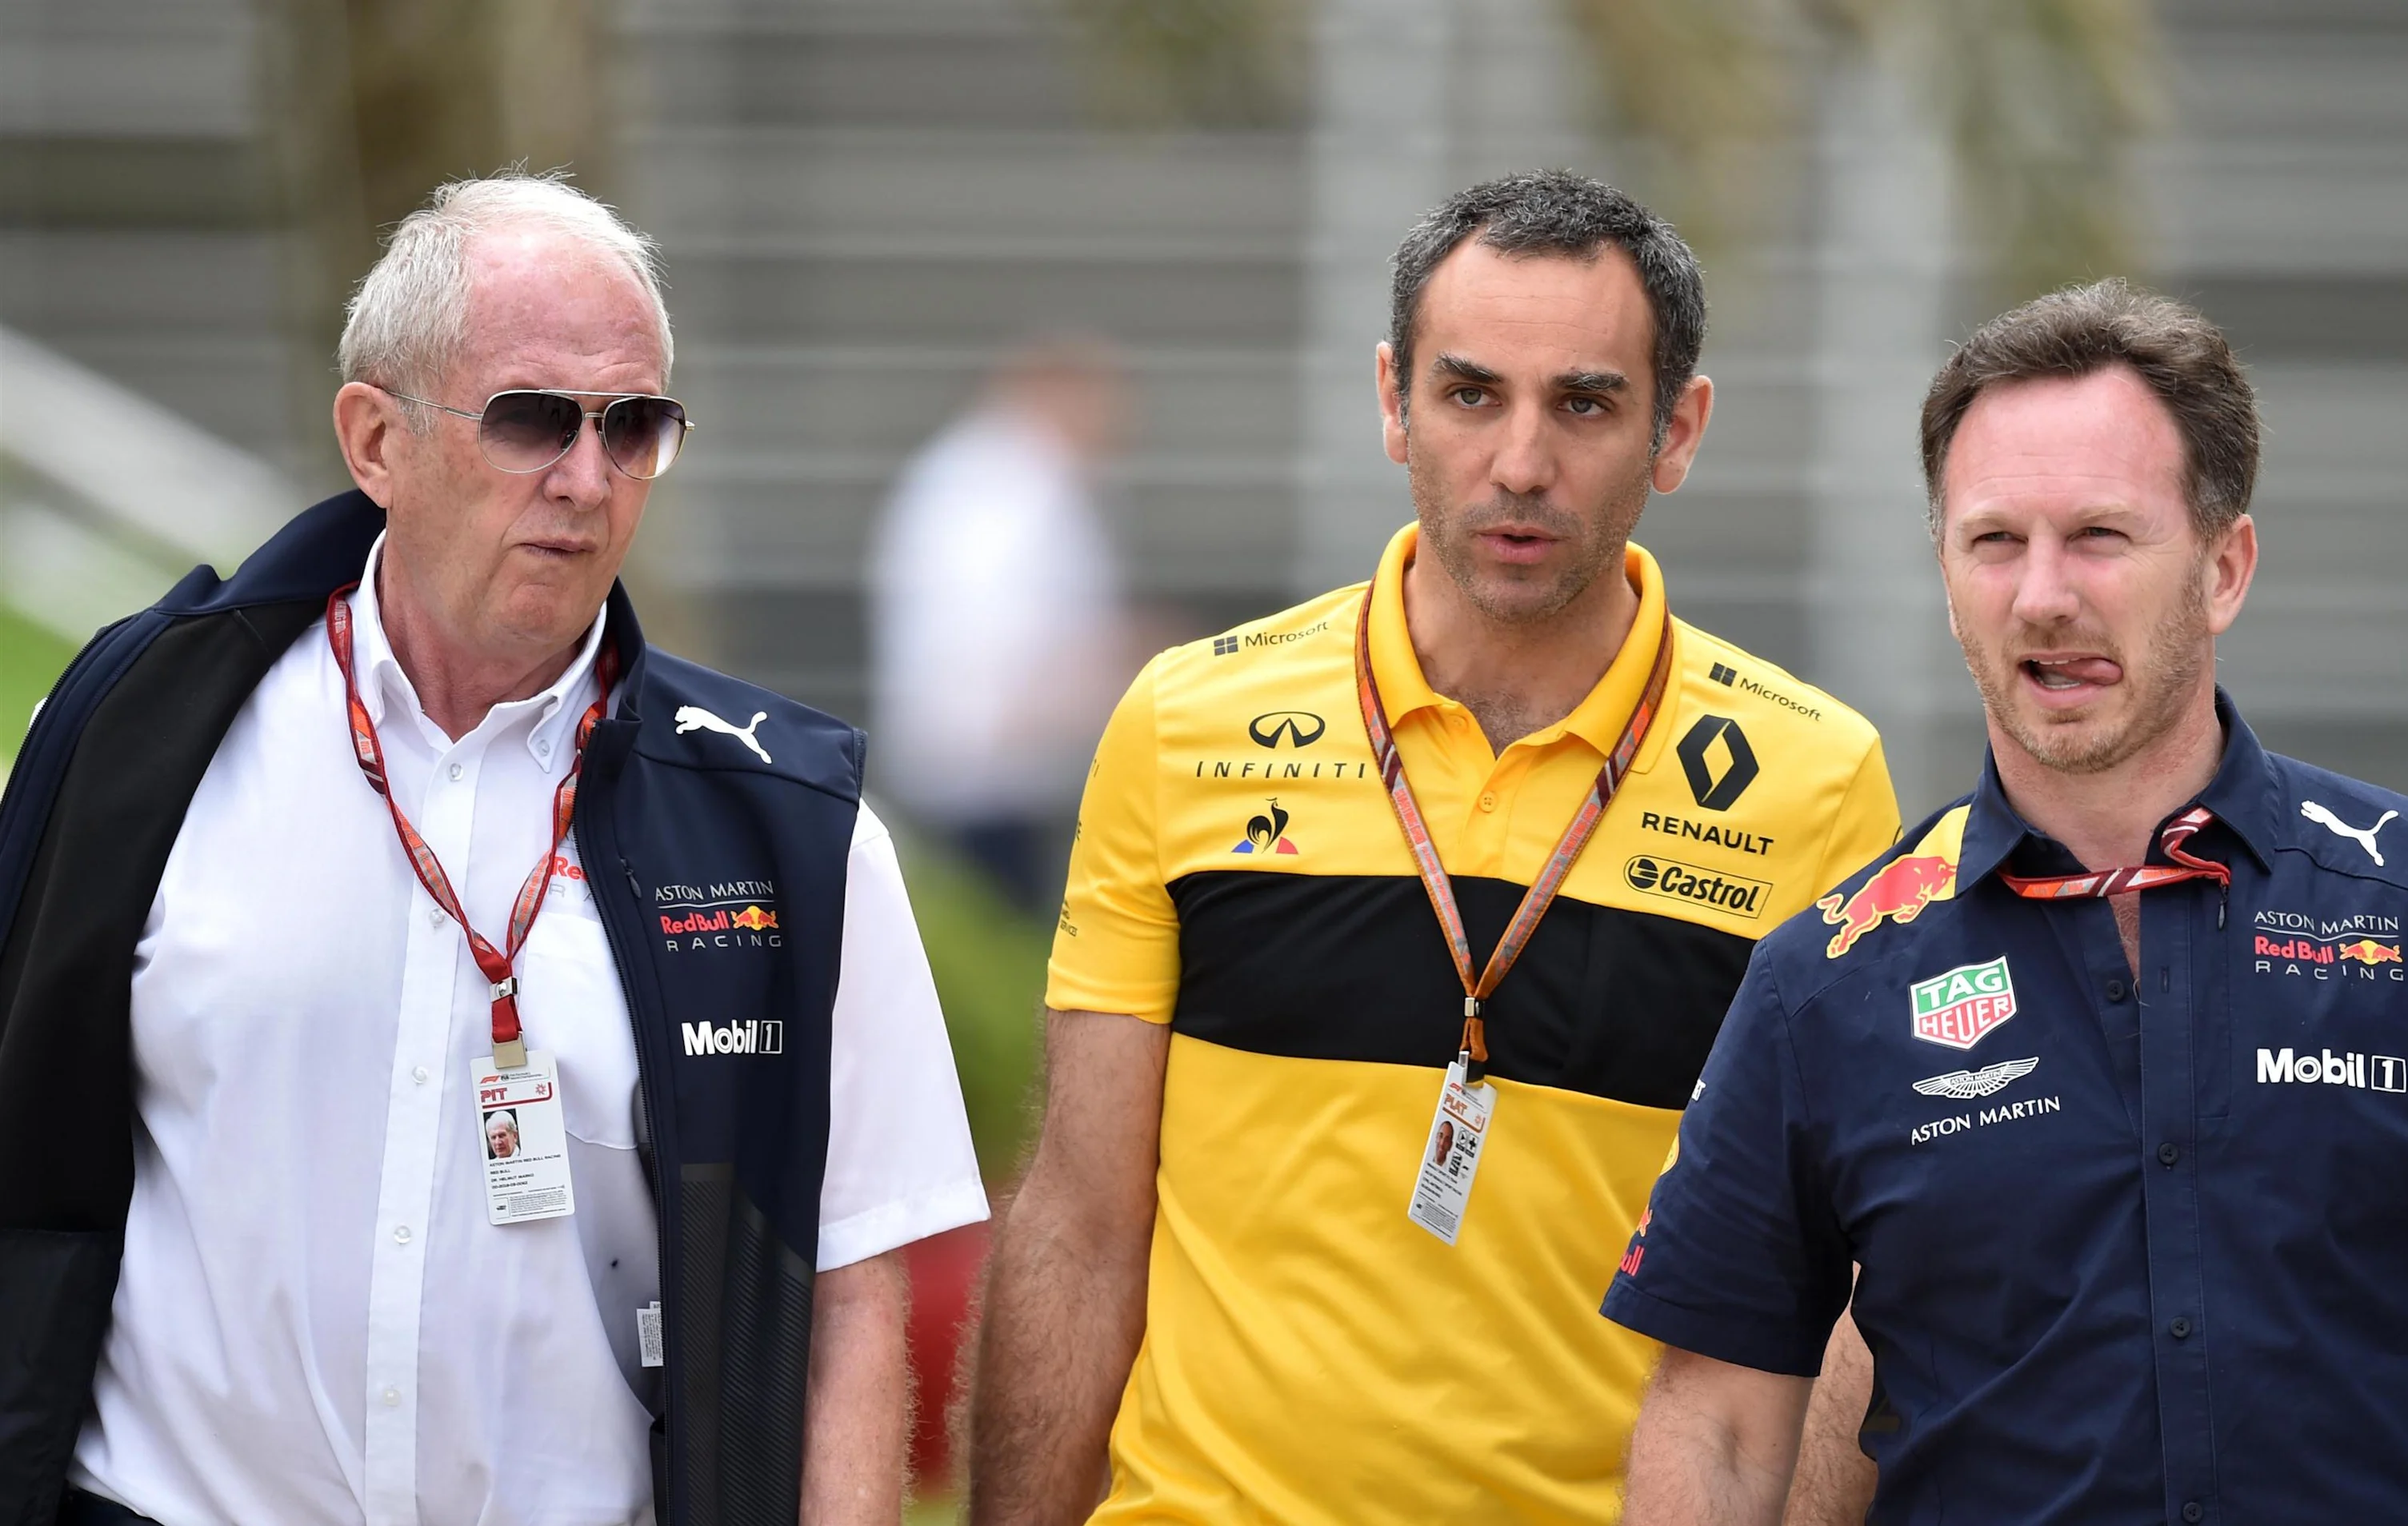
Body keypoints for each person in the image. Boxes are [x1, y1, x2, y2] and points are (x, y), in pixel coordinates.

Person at [1604, 278, 2408, 1524]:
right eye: (1995, 541)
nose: (2042, 596)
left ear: (2224, 568)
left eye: (2100, 536)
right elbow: (1718, 1422)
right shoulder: (1826, 981)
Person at [0, 174, 988, 1526]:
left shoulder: (792, 827)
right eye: (532, 419)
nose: (586, 479)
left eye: (632, 428)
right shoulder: (133, 737)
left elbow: (848, 1303)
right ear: (376, 440)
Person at [965, 170, 1902, 1524]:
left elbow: (1838, 1289)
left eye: (1583, 404)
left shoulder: (1813, 782)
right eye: (1470, 395)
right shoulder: (1184, 723)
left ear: (1678, 430)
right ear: (1393, 402)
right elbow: (1077, 1224)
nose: (1519, 462)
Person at [868, 338, 1137, 910]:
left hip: (982, 769)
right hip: (987, 778)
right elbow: (1000, 638)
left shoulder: (983, 474)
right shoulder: (1013, 490)